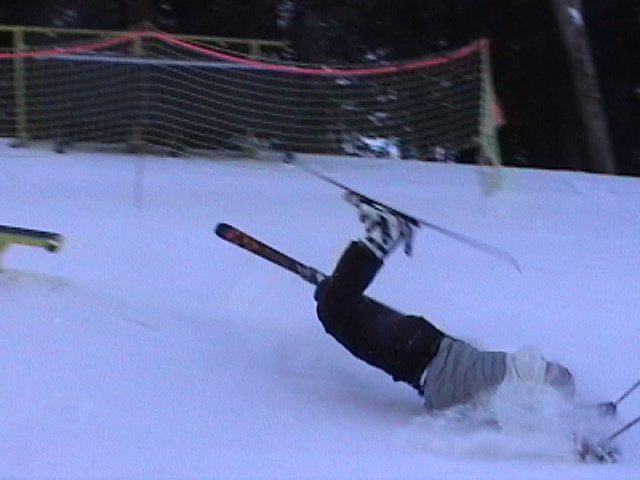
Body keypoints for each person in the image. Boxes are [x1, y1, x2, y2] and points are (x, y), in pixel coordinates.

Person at [314, 193, 577, 413]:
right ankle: (383, 233)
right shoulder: (512, 389)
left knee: (340, 304)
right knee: (335, 310)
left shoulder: (507, 375)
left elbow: (556, 387)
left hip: (427, 344)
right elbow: (533, 421)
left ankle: (363, 257)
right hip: (416, 356)